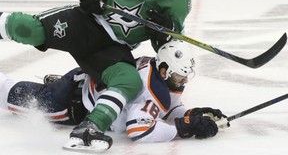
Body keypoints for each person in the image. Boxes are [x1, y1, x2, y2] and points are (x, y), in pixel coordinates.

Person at [0, 0, 191, 150]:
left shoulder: (180, 0)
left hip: (112, 48)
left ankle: (90, 127)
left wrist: (163, 34)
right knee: (29, 30)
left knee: (128, 80)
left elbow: (170, 50)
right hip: (86, 23)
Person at [0, 40, 228, 152]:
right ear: (165, 70)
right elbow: (138, 130)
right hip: (68, 104)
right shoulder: (152, 87)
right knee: (9, 93)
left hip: (88, 85)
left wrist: (192, 114)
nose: (184, 80)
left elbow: (164, 109)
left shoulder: (160, 74)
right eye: (180, 75)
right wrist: (183, 127)